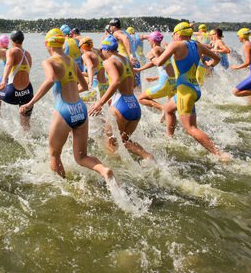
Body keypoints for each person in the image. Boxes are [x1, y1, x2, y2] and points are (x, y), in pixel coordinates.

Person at [19, 29, 113, 181]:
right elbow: (85, 86)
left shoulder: (49, 62)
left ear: (47, 44)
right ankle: (104, 170)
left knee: (55, 155)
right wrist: (72, 90)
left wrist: (30, 103)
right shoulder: (71, 61)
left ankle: (63, 186)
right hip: (80, 110)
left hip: (64, 111)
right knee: (82, 157)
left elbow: (50, 80)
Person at [153, 22, 230, 160]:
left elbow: (159, 62)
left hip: (185, 91)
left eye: (173, 34)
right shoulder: (197, 45)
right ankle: (170, 139)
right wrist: (209, 65)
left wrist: (152, 56)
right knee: (168, 109)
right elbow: (217, 58)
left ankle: (220, 154)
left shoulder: (175, 45)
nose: (173, 36)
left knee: (191, 128)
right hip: (194, 88)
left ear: (178, 34)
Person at [90, 35, 153, 160]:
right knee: (124, 141)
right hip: (134, 105)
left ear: (106, 50)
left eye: (102, 50)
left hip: (121, 105)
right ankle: (147, 156)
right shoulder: (126, 60)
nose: (101, 53)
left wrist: (100, 103)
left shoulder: (109, 62)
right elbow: (133, 83)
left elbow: (116, 82)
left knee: (110, 142)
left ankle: (116, 167)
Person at [0, 30, 33, 129]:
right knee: (25, 125)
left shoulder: (11, 51)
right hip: (27, 93)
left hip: (12, 94)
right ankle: (27, 135)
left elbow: (8, 65)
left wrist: (4, 81)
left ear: (11, 41)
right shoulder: (28, 54)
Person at [136, 31, 176, 113]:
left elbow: (157, 62)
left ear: (153, 40)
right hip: (173, 82)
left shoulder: (155, 49)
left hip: (165, 83)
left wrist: (150, 57)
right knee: (170, 112)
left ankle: (162, 108)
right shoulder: (164, 50)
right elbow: (159, 63)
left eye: (149, 40)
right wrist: (139, 70)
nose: (148, 41)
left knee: (141, 98)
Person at [79, 36, 108, 102]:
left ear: (82, 47)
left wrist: (90, 82)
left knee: (80, 100)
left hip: (96, 86)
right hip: (105, 85)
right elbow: (93, 72)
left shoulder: (85, 55)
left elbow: (90, 67)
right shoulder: (96, 52)